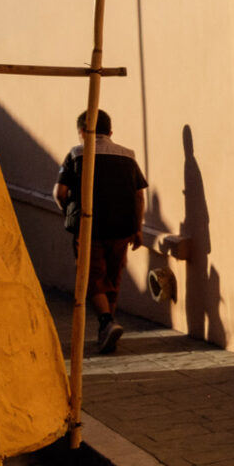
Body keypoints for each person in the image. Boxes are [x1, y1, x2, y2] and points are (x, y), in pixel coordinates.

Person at [55, 109, 147, 355]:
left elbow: (59, 193)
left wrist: (70, 213)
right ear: (111, 132)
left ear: (83, 132)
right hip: (123, 228)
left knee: (92, 276)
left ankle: (106, 322)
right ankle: (107, 328)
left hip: (90, 227)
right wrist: (138, 229)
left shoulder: (76, 154)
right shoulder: (129, 156)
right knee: (113, 276)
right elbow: (139, 196)